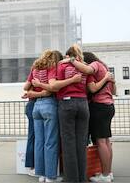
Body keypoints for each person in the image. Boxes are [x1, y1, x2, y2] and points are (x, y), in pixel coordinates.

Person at [32, 45, 96, 182]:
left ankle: (72, 179)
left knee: (68, 145)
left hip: (66, 104)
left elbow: (54, 86)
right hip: (83, 104)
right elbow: (90, 88)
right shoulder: (85, 67)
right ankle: (81, 179)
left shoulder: (61, 66)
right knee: (81, 145)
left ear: (67, 56)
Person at [66, 51, 116, 182]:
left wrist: (71, 60)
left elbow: (92, 89)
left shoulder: (95, 66)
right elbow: (115, 91)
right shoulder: (105, 68)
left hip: (99, 107)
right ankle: (108, 172)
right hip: (109, 106)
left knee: (100, 141)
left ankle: (105, 176)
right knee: (106, 141)